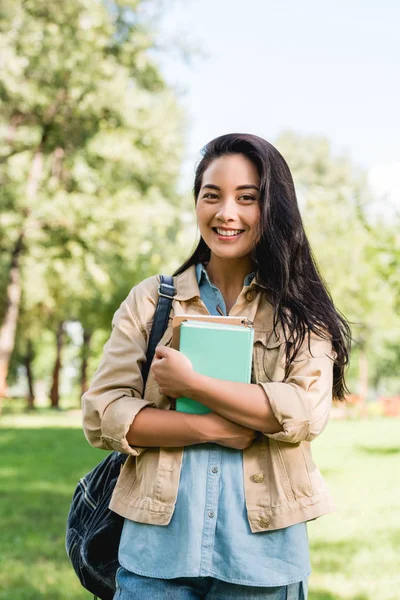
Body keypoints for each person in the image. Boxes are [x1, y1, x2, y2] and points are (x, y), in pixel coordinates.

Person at [82, 133, 351, 600]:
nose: (227, 213)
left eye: (247, 198)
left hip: (262, 562)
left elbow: (304, 413)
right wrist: (210, 427)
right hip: (154, 558)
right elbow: (103, 414)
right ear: (196, 203)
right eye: (212, 195)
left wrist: (193, 384)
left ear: (272, 208)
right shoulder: (151, 301)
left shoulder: (300, 308)